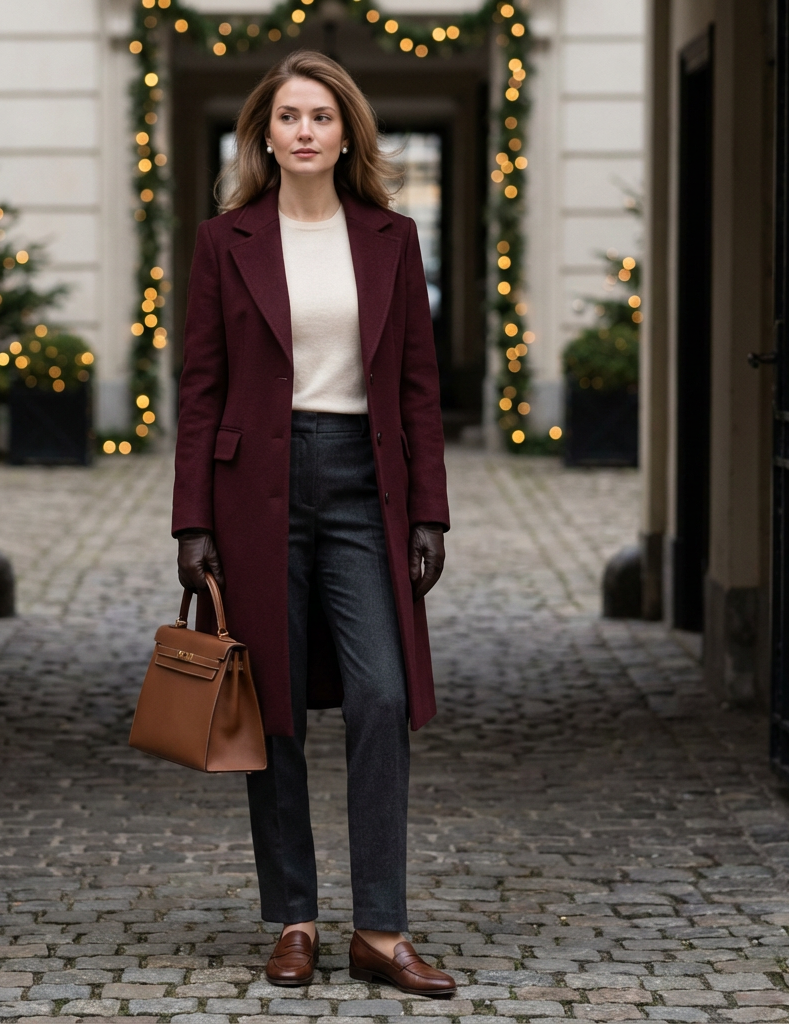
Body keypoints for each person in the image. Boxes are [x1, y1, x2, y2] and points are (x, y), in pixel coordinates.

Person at [172, 50, 452, 996]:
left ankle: (381, 929)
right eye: (289, 116)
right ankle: (294, 918)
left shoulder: (391, 238)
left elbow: (418, 386)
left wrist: (429, 512)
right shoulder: (226, 241)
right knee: (276, 705)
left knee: (381, 695)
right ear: (265, 132)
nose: (304, 131)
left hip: (365, 486)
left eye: (321, 117)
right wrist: (191, 521)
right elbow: (201, 387)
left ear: (345, 134)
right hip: (255, 488)